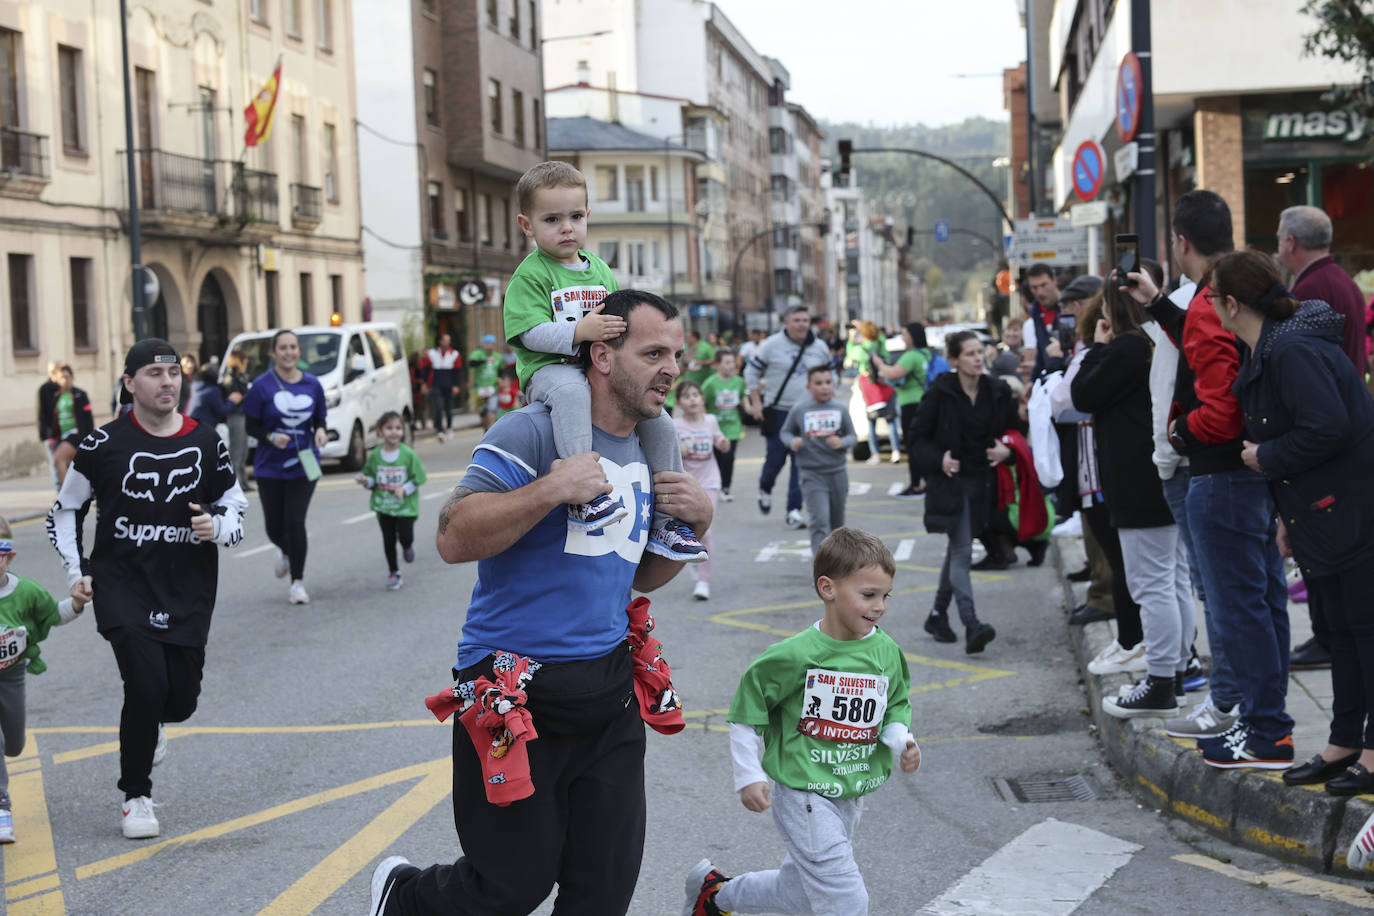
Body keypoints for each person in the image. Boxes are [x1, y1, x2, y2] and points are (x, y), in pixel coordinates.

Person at [369, 289, 711, 916]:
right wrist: (552, 489)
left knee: (602, 892)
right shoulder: (531, 430)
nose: (672, 369)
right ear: (601, 355)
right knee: (510, 887)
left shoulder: (650, 448)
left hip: (607, 692)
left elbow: (641, 578)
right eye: (653, 352)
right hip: (512, 687)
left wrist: (698, 524)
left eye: (677, 354)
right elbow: (452, 536)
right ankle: (405, 897)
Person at [47, 337, 246, 839]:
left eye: (174, 373)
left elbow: (235, 504)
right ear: (130, 383)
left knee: (179, 702)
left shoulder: (205, 440)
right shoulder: (102, 444)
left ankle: (153, 724)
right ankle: (136, 795)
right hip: (122, 585)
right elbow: (66, 509)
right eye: (155, 375)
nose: (167, 382)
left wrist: (217, 528)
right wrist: (78, 571)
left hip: (187, 588)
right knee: (144, 685)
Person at [1123, 190, 1292, 769]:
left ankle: (1264, 728)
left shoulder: (1208, 300)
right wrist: (1160, 309)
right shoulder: (1225, 293)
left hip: (1222, 476)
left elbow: (1219, 403)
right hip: (1251, 469)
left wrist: (1181, 430)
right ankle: (1264, 722)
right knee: (1260, 602)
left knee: (1235, 607)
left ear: (1180, 242)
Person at [1200, 249, 1374, 784]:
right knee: (1335, 630)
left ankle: (1370, 754)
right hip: (1318, 513)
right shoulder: (1269, 349)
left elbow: (1328, 427)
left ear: (1232, 304)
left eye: (1211, 299)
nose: (1209, 308)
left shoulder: (1291, 349)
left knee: (1365, 631)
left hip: (1352, 511)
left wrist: (1264, 458)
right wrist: (1285, 518)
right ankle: (1343, 742)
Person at [684, 527, 919, 916]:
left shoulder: (886, 651)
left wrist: (901, 739)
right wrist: (748, 775)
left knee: (799, 893)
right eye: (868, 595)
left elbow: (895, 704)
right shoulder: (794, 655)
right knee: (846, 901)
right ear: (828, 589)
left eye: (885, 596)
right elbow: (746, 713)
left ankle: (713, 897)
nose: (880, 607)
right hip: (803, 795)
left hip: (849, 792)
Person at [502, 160, 705, 562]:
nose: (567, 228)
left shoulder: (599, 270)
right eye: (552, 219)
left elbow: (620, 324)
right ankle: (586, 498)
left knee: (659, 418)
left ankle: (667, 519)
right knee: (574, 392)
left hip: (597, 368)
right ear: (527, 225)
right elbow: (529, 333)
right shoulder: (531, 275)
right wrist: (582, 333)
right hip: (549, 371)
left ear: (588, 216)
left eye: (576, 216)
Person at [1075, 275, 1195, 719]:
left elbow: (1080, 394)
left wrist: (1098, 347)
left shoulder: (1125, 350)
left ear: (1115, 307)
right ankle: (1176, 673)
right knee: (1173, 578)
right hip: (1157, 477)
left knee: (1152, 584)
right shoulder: (1153, 341)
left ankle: (1162, 681)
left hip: (1136, 482)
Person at [1277, 205, 1367, 672]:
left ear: (1291, 242)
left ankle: (1326, 634)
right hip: (1348, 424)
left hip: (1325, 431)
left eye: (1279, 237)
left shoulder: (1311, 290)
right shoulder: (1345, 282)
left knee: (1319, 533)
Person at [910, 331, 1018, 654]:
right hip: (951, 484)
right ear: (954, 360)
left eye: (979, 352)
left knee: (957, 547)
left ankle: (937, 614)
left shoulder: (995, 391)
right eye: (969, 354)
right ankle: (971, 623)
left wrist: (1005, 450)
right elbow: (916, 439)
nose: (977, 358)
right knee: (961, 551)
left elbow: (1014, 432)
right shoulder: (940, 393)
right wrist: (938, 458)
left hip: (983, 484)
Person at [0, 514, 87, 844]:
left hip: (12, 676)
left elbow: (53, 614)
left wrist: (77, 603)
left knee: (14, 743)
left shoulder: (26, 593)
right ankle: (1, 807)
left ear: (9, 557)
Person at [241, 329, 329, 605]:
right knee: (273, 528)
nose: (289, 352)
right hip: (270, 466)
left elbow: (319, 419)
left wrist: (321, 432)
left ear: (299, 352)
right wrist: (269, 437)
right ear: (273, 353)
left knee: (295, 522)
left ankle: (297, 583)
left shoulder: (313, 385)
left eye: (293, 347)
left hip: (304, 464)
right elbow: (250, 426)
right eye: (283, 348)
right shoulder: (261, 386)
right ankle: (285, 551)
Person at [744, 306, 834, 529]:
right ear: (786, 323)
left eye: (805, 320)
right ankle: (765, 488)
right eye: (797, 320)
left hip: (808, 413)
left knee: (800, 462)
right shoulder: (771, 345)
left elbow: (830, 377)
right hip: (778, 411)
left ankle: (793, 509)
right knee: (775, 459)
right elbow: (751, 372)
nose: (802, 324)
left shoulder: (819, 347)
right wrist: (756, 402)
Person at [781, 366, 858, 556]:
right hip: (811, 473)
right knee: (819, 521)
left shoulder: (839, 408)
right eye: (818, 383)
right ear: (808, 387)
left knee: (837, 524)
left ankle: (838, 562)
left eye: (828, 382)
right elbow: (785, 431)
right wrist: (793, 441)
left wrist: (842, 442)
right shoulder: (800, 409)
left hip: (837, 472)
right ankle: (821, 567)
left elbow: (853, 436)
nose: (824, 387)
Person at [355, 411, 428, 591]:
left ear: (403, 431)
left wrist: (405, 489)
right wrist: (365, 481)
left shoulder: (408, 454)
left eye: (398, 428)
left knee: (405, 536)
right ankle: (394, 572)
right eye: (389, 428)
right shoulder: (375, 456)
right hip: (384, 507)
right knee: (388, 540)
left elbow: (420, 477)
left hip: (405, 508)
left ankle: (407, 545)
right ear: (380, 431)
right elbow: (372, 480)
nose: (394, 432)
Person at [673, 379, 729, 600]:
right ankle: (695, 558)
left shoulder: (711, 420)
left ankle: (703, 581)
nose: (692, 399)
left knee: (706, 531)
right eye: (687, 396)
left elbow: (719, 440)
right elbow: (668, 453)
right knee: (689, 531)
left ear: (702, 400)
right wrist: (680, 450)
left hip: (710, 482)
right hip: (687, 484)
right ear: (679, 403)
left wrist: (724, 443)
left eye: (696, 395)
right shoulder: (675, 425)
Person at [871, 322, 932, 498]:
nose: (903, 338)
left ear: (912, 337)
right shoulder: (926, 354)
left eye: (905, 334)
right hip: (924, 402)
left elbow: (893, 374)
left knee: (913, 446)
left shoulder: (911, 356)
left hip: (912, 406)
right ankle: (925, 482)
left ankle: (916, 484)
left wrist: (879, 364)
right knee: (922, 445)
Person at [848, 321, 902, 465]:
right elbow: (882, 340)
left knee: (871, 421)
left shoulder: (863, 349)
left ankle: (875, 454)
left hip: (870, 387)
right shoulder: (880, 345)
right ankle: (896, 451)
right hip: (886, 385)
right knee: (890, 420)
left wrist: (852, 338)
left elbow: (851, 353)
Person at [702, 349, 746, 501]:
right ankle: (714, 484)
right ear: (717, 365)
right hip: (715, 429)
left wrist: (752, 409)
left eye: (733, 362)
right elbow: (703, 404)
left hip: (733, 427)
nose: (731, 365)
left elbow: (743, 400)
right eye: (727, 362)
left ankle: (726, 487)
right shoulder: (710, 384)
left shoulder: (739, 382)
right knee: (717, 458)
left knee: (729, 458)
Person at [45, 364, 95, 487]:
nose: (65, 380)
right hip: (62, 437)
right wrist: (52, 437)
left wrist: (89, 438)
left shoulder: (80, 394)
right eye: (62, 377)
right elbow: (53, 420)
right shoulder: (57, 396)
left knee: (58, 458)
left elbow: (89, 418)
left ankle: (65, 494)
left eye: (67, 377)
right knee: (75, 470)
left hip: (76, 435)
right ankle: (79, 494)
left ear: (72, 377)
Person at [220, 347, 253, 492]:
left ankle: (243, 481)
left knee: (244, 450)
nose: (246, 362)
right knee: (237, 450)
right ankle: (236, 483)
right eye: (244, 359)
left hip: (242, 413)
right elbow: (234, 396)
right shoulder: (230, 377)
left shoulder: (240, 375)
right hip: (235, 414)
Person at [424, 334, 462, 442]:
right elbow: (426, 369)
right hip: (437, 384)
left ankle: (449, 428)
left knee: (449, 409)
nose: (447, 342)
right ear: (440, 341)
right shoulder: (432, 353)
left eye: (448, 340)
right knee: (438, 407)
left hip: (449, 384)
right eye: (445, 340)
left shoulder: (454, 354)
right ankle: (440, 430)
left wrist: (456, 385)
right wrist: (425, 384)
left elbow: (458, 371)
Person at [36, 362, 66, 487]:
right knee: (55, 463)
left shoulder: (64, 388)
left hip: (64, 432)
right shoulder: (45, 389)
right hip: (51, 434)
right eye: (59, 373)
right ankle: (59, 490)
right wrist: (47, 435)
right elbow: (42, 413)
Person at [467, 333, 501, 431]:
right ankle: (486, 429)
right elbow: (471, 363)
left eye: (493, 344)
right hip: (479, 389)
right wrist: (485, 360)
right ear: (483, 344)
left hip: (493, 388)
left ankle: (490, 432)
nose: (490, 346)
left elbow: (502, 369)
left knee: (491, 410)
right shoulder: (477, 354)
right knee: (482, 413)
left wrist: (500, 378)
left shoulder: (497, 356)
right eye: (488, 343)